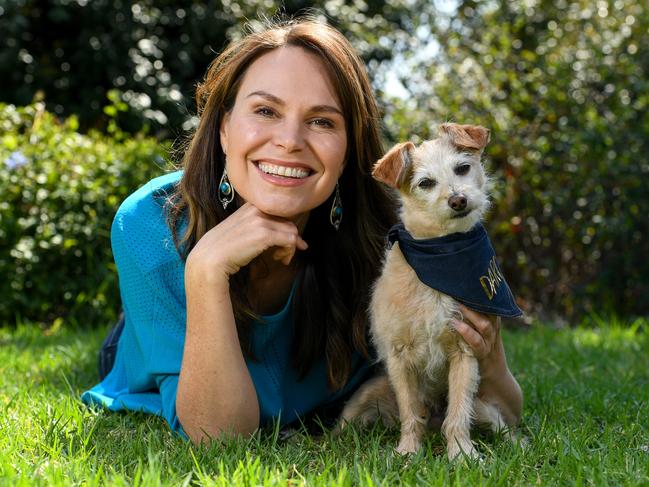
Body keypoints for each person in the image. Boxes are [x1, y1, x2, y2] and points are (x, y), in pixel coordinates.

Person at [82, 17, 522, 444]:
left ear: (347, 150)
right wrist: (204, 270)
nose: (290, 139)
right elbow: (218, 438)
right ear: (223, 130)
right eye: (265, 110)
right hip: (164, 333)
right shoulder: (149, 223)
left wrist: (489, 351)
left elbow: (502, 405)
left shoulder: (389, 239)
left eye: (322, 121)